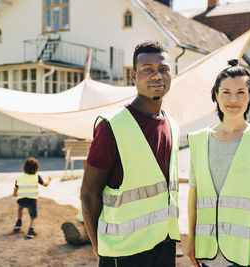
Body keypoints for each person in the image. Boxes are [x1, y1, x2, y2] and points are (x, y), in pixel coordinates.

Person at [80, 41, 180, 267]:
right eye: (147, 69)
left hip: (165, 246)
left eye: (163, 69)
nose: (157, 76)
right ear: (133, 76)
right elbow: (88, 194)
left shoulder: (172, 125)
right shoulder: (111, 126)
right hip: (124, 253)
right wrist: (98, 247)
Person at [187, 59, 250, 267]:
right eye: (226, 92)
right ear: (216, 95)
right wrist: (192, 239)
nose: (233, 99)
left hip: (247, 252)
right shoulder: (198, 140)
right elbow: (194, 193)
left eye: (241, 92)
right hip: (207, 252)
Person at [13, 157, 51, 239]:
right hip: (32, 200)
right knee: (34, 216)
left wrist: (15, 193)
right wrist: (49, 180)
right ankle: (31, 231)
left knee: (20, 208)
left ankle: (18, 223)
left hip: (21, 199)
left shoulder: (20, 177)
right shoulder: (37, 177)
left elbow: (16, 188)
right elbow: (45, 185)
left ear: (24, 167)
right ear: (37, 168)